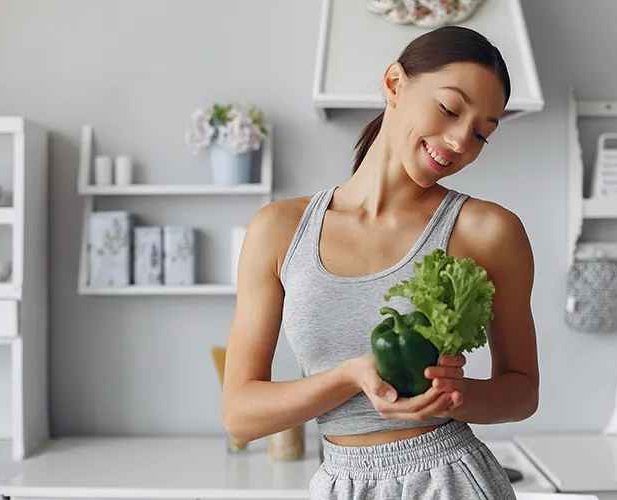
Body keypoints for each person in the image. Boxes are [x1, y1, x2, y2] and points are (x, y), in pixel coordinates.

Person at [222, 25, 538, 500]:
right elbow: (240, 415)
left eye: (480, 133)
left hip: (450, 479)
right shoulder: (279, 230)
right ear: (394, 83)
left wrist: (456, 395)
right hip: (341, 482)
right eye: (449, 109)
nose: (458, 142)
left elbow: (522, 392)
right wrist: (348, 376)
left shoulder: (489, 232)